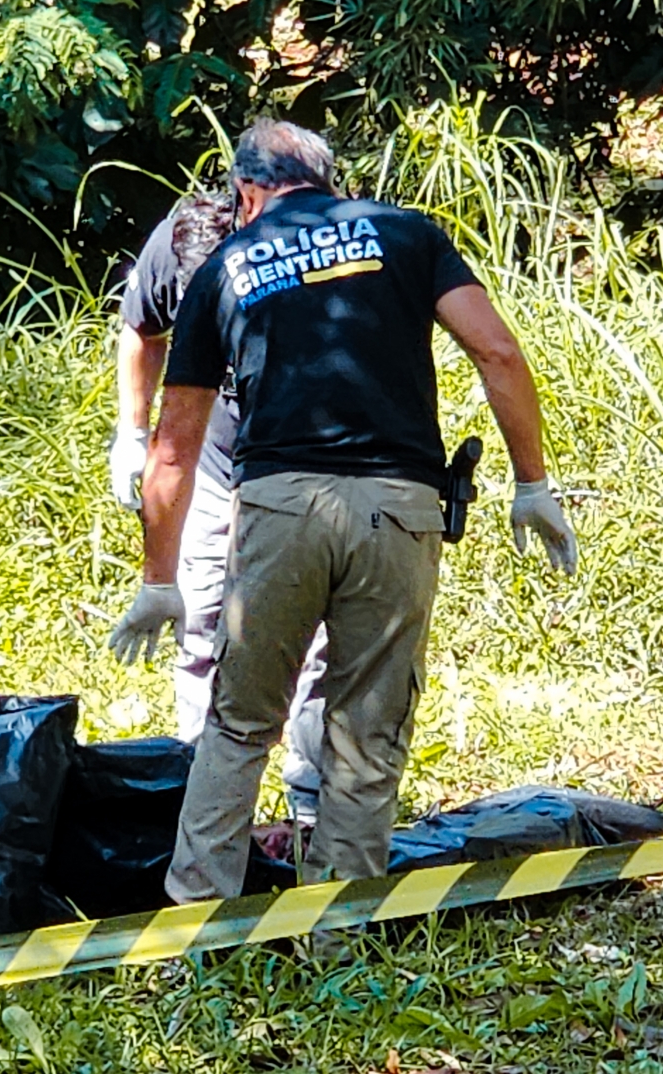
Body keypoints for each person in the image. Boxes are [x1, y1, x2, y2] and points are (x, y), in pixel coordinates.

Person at [109, 118, 578, 903]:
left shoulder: (226, 263)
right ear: (330, 179)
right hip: (399, 509)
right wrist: (531, 484)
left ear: (247, 192)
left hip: (279, 509)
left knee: (237, 723)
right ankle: (338, 934)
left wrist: (161, 579)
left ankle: (199, 922)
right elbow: (496, 351)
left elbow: (175, 448)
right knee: (368, 729)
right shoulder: (406, 233)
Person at [110, 191, 327, 819]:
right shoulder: (179, 240)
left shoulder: (301, 250)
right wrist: (131, 431)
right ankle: (201, 794)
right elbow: (140, 329)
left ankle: (312, 803)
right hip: (210, 451)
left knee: (316, 628)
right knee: (201, 615)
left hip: (302, 455)